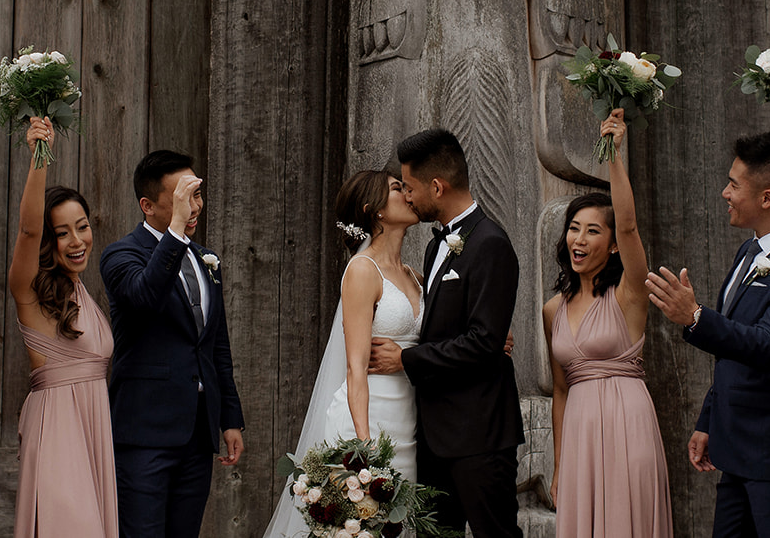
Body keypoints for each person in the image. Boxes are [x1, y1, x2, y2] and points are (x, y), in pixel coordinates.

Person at [645, 132, 770, 538]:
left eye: (734, 185)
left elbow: (769, 344)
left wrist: (695, 316)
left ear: (767, 198)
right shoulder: (749, 252)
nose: (724, 192)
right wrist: (709, 420)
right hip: (736, 449)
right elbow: (734, 355)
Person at [368, 128, 523, 538]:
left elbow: (483, 342)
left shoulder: (491, 243)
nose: (408, 197)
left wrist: (405, 359)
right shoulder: (436, 247)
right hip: (433, 435)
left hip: (479, 435)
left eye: (410, 187)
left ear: (437, 186)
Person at [261, 169, 423, 538]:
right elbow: (355, 368)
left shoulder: (414, 275)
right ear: (375, 211)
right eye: (398, 188)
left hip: (409, 420)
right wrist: (364, 451)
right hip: (368, 419)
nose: (408, 194)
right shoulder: (362, 271)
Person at [101, 150, 244, 538]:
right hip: (144, 434)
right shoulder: (120, 255)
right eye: (183, 198)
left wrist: (229, 418)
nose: (195, 206)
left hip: (197, 433)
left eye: (196, 195)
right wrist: (177, 230)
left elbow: (216, 346)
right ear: (147, 205)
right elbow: (146, 297)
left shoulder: (204, 258)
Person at [543, 110, 672, 538]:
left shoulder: (629, 295)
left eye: (593, 231)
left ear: (613, 246)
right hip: (579, 437)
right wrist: (559, 466)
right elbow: (561, 390)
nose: (579, 239)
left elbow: (630, 224)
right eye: (574, 229)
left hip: (627, 425)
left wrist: (614, 155)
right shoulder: (552, 310)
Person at [8, 118, 117, 538]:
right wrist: (41, 156)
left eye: (83, 227)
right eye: (62, 233)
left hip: (94, 430)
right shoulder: (30, 292)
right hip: (57, 431)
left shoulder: (80, 291)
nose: (77, 241)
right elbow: (28, 228)